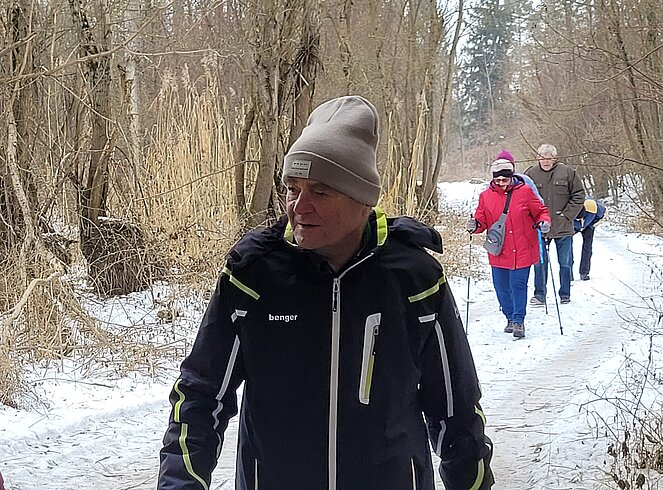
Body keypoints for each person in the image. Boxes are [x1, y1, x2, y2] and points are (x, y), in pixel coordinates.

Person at [158, 95, 494, 490]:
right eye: (292, 189)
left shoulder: (414, 278)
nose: (299, 207)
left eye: (320, 192)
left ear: (363, 201)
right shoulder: (254, 275)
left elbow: (456, 409)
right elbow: (200, 397)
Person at [466, 150, 551, 338]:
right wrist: (474, 226)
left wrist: (544, 222)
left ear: (511, 176)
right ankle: (509, 317)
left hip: (523, 248)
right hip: (499, 250)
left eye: (504, 179)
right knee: (502, 288)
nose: (501, 183)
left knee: (518, 285)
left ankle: (519, 321)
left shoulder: (525, 192)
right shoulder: (485, 196)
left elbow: (541, 211)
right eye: (497, 180)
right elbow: (482, 221)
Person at [524, 144, 584, 305]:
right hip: (539, 228)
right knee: (540, 263)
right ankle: (539, 295)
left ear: (555, 158)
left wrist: (567, 215)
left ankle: (565, 294)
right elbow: (523, 199)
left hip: (563, 227)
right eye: (542, 158)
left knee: (565, 263)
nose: (545, 161)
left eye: (549, 158)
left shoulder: (568, 172)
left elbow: (579, 195)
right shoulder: (530, 174)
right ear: (538, 158)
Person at [573, 196, 606, 280]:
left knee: (587, 248)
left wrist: (593, 224)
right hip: (573, 225)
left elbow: (603, 215)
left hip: (589, 225)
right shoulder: (573, 208)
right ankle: (568, 273)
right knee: (567, 247)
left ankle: (584, 272)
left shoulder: (598, 209)